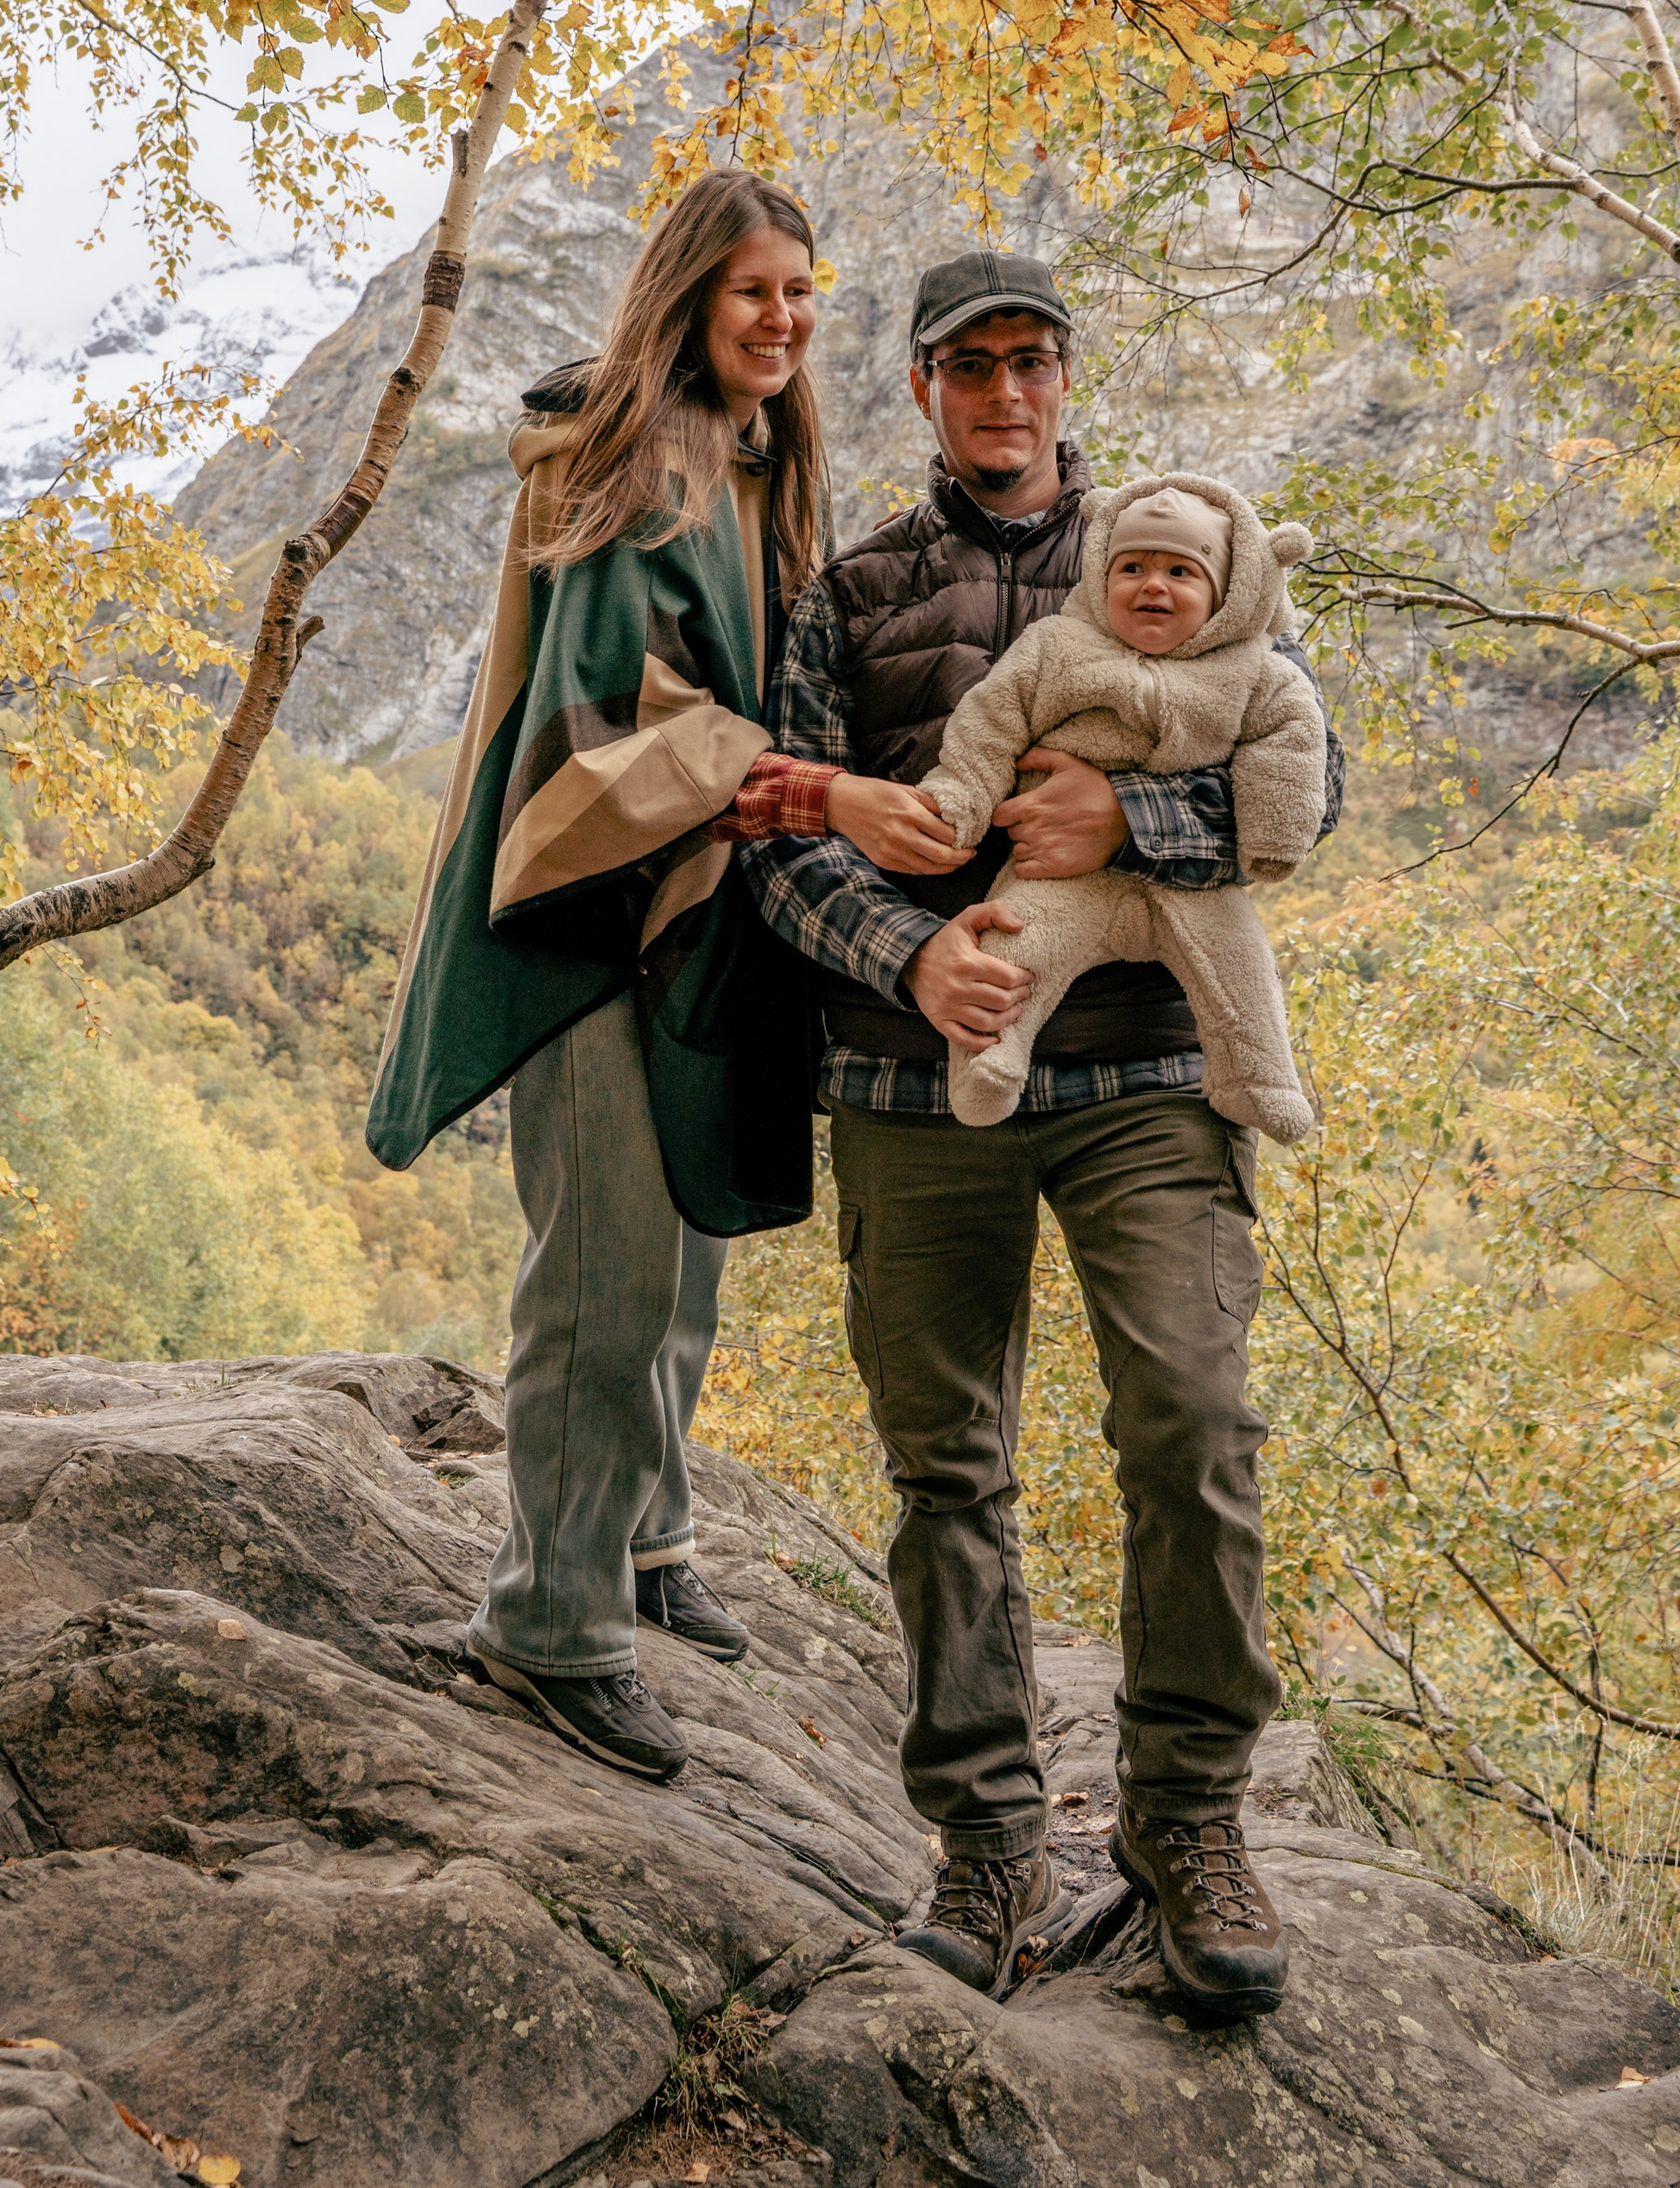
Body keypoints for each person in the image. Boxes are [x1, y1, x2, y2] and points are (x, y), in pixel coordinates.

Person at [740, 250, 1343, 2021]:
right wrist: (910, 957)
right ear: (922, 389)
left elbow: (1303, 782)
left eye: (1030, 363)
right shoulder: (843, 594)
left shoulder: (1184, 557)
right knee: (948, 1475)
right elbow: (778, 835)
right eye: (968, 367)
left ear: (1066, 381)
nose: (1003, 394)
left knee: (1193, 1422)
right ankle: (989, 1846)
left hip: (1148, 1081)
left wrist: (1131, 813)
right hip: (912, 1091)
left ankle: (1184, 1825)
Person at [367, 169, 952, 1784]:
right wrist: (803, 779)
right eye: (754, 289)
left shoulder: (757, 462)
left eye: (804, 289)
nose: (786, 317)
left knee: (684, 1247)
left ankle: (640, 1537)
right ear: (690, 297)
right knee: (603, 1276)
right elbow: (601, 734)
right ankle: (550, 1628)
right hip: (591, 920)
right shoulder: (636, 470)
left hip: (706, 902)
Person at [917, 473, 1324, 1140]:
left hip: (1193, 886)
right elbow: (990, 719)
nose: (1152, 585)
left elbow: (1292, 740)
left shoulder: (1256, 668)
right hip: (1057, 873)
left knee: (1241, 969)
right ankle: (990, 1065)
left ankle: (1257, 1080)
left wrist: (1272, 834)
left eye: (1181, 572)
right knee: (1011, 946)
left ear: (1226, 595)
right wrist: (961, 794)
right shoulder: (1058, 646)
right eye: (1131, 567)